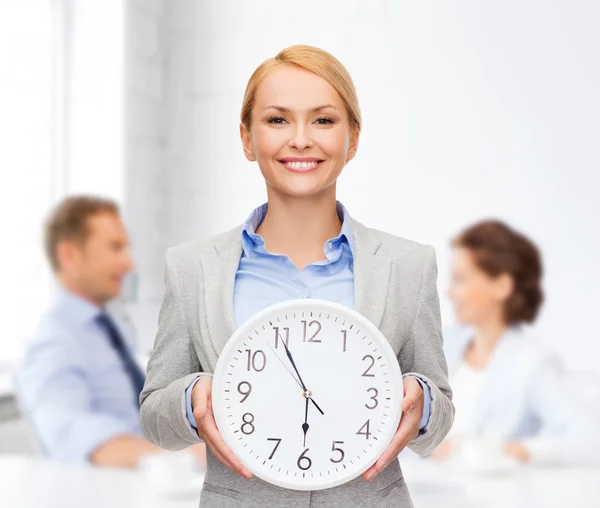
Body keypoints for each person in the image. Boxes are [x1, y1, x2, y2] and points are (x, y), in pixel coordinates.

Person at [140, 45, 454, 507]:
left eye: (324, 120)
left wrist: (423, 402)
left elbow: (440, 412)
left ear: (353, 138)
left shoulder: (407, 266)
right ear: (247, 138)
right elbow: (153, 417)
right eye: (278, 120)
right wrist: (191, 398)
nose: (301, 139)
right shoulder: (193, 268)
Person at [16, 195, 205, 468]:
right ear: (69, 254)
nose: (129, 264)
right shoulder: (54, 343)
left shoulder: (104, 333)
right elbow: (77, 437)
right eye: (115, 248)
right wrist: (186, 459)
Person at [433, 219, 600, 466]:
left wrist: (512, 451)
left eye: (460, 280)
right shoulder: (443, 346)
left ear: (501, 286)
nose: (449, 292)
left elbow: (589, 441)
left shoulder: (531, 363)